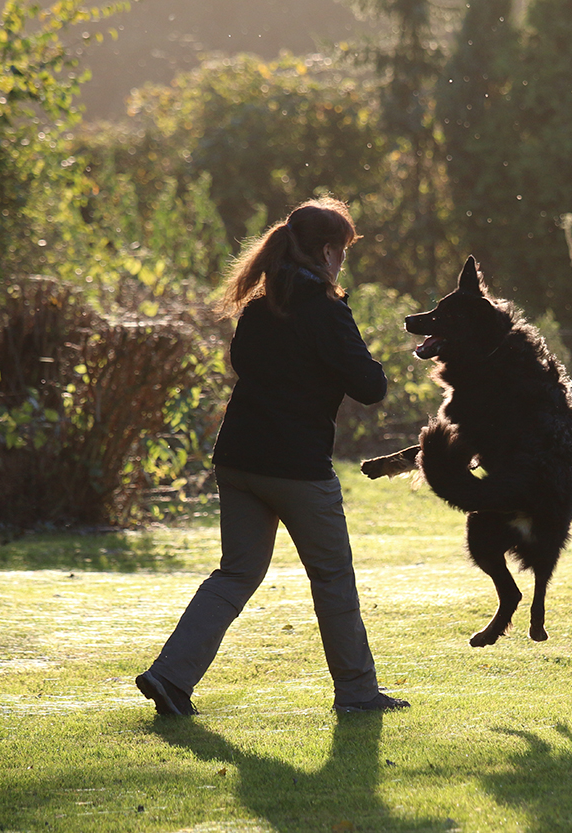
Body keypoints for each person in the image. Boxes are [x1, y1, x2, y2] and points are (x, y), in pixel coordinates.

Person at [136, 197, 409, 716]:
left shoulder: (260, 307)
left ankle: (169, 676)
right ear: (326, 252)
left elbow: (244, 364)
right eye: (343, 252)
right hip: (297, 468)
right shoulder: (325, 309)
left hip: (239, 459)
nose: (343, 262)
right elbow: (370, 386)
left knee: (235, 574)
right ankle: (357, 694)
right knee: (332, 578)